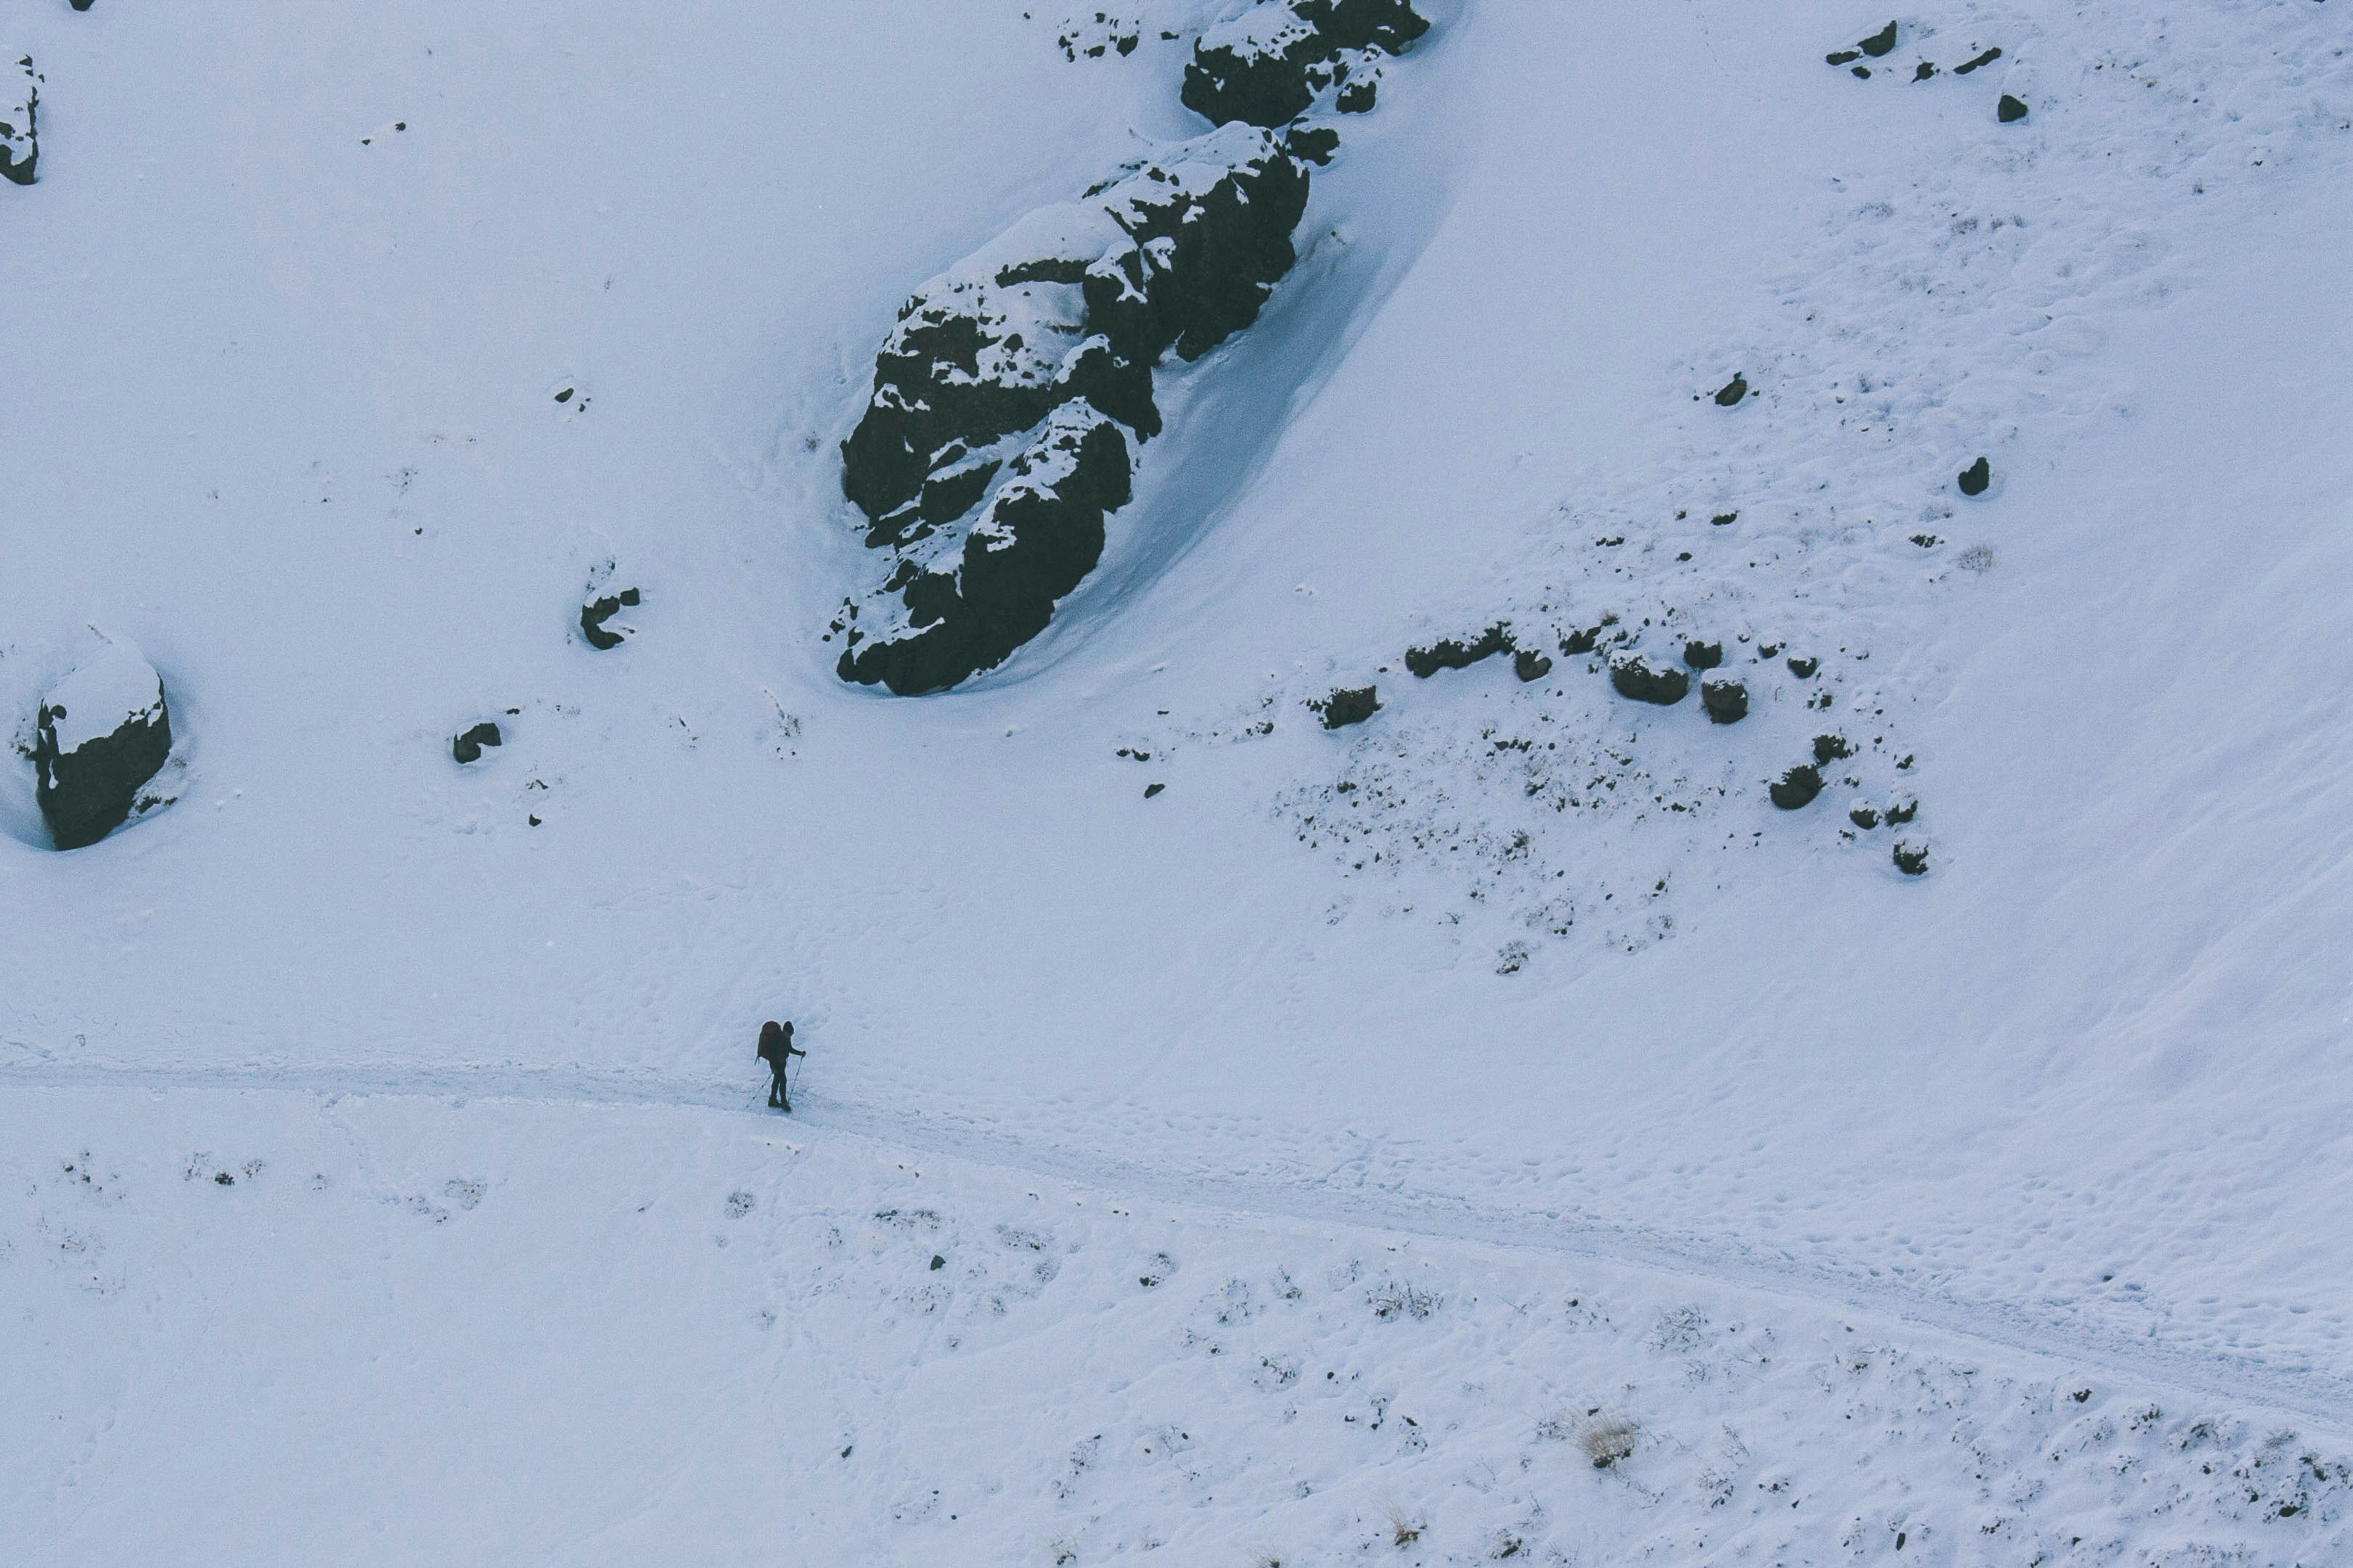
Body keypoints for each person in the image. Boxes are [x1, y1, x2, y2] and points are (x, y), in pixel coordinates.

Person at [758, 1019, 804, 1112]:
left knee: (777, 1080)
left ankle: (773, 1100)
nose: (791, 1036)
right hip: (777, 1063)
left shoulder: (787, 1038)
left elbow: (790, 1049)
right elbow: (772, 1054)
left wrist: (800, 1053)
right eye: (790, 1034)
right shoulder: (777, 1039)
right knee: (783, 1080)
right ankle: (783, 1102)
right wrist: (773, 1067)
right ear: (785, 1031)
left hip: (782, 1062)